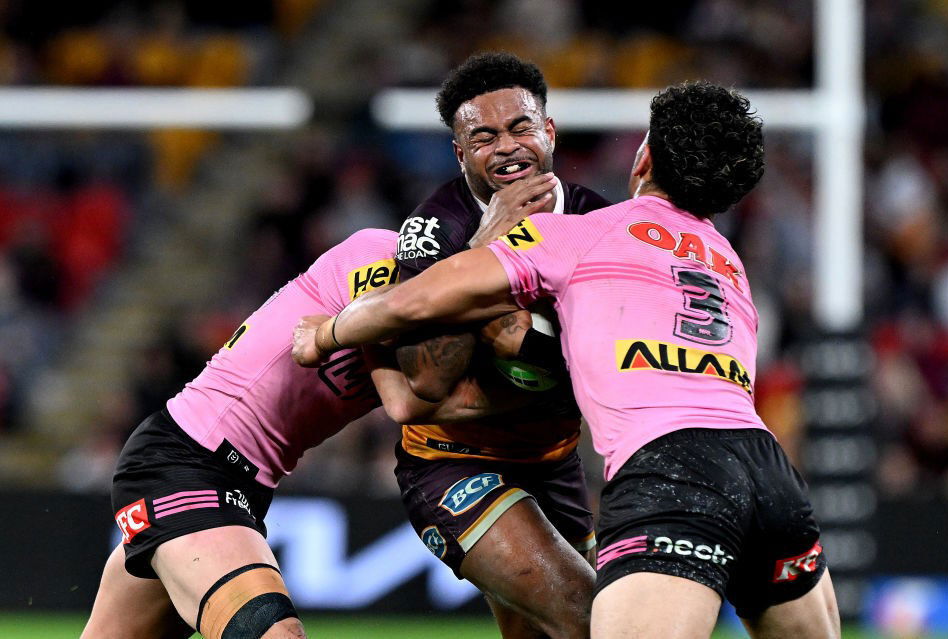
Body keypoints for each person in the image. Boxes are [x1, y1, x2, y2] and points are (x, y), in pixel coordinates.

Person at [296, 82, 842, 639]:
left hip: (670, 467)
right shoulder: (727, 261)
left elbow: (417, 301)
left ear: (643, 158)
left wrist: (327, 332)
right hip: (766, 468)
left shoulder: (584, 232)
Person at [81, 228, 528, 639]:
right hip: (187, 463)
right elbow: (407, 402)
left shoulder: (442, 319)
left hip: (238, 483)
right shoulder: (378, 256)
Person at [386, 51, 610, 639]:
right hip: (452, 460)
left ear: (549, 132)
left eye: (520, 127)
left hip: (554, 463)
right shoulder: (435, 229)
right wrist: (484, 249)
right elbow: (429, 381)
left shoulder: (600, 222)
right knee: (590, 616)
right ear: (461, 153)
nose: (507, 146)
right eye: (483, 137)